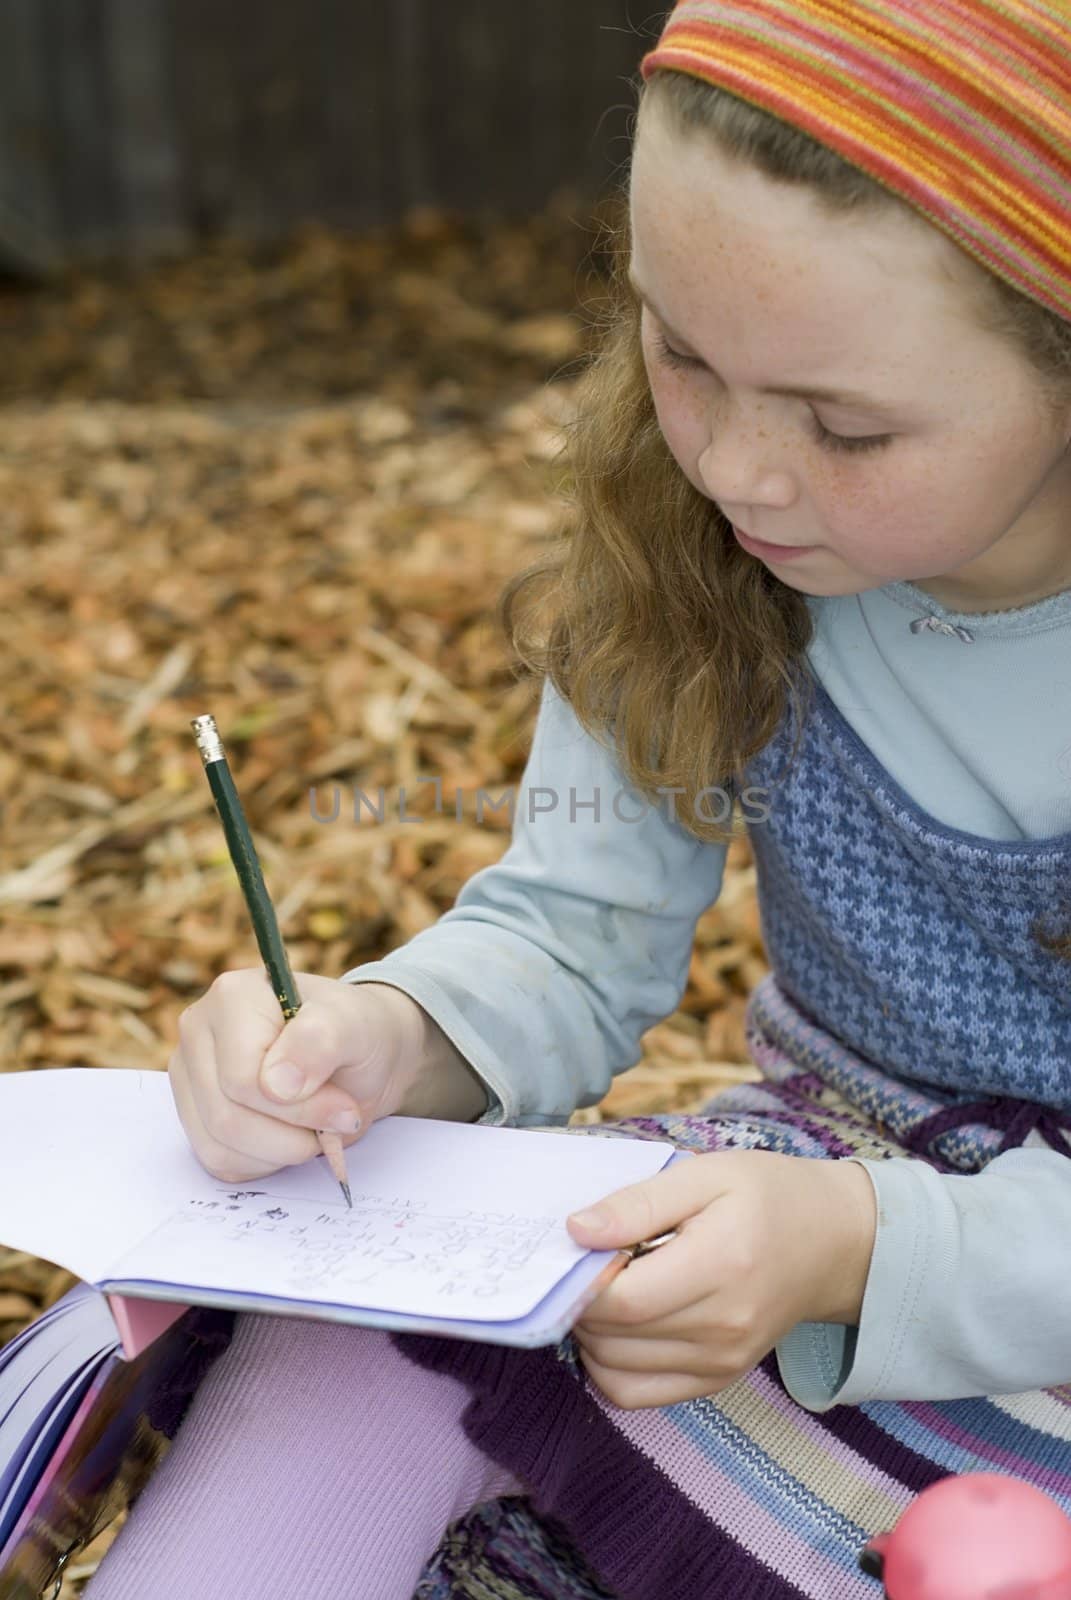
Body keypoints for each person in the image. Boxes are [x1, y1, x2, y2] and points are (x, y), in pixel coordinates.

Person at [83, 1, 1071, 1596]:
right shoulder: (696, 545)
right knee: (368, 1349)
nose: (737, 469)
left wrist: (858, 1246)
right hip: (778, 1201)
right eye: (682, 353)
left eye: (848, 425)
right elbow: (567, 931)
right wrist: (388, 1040)